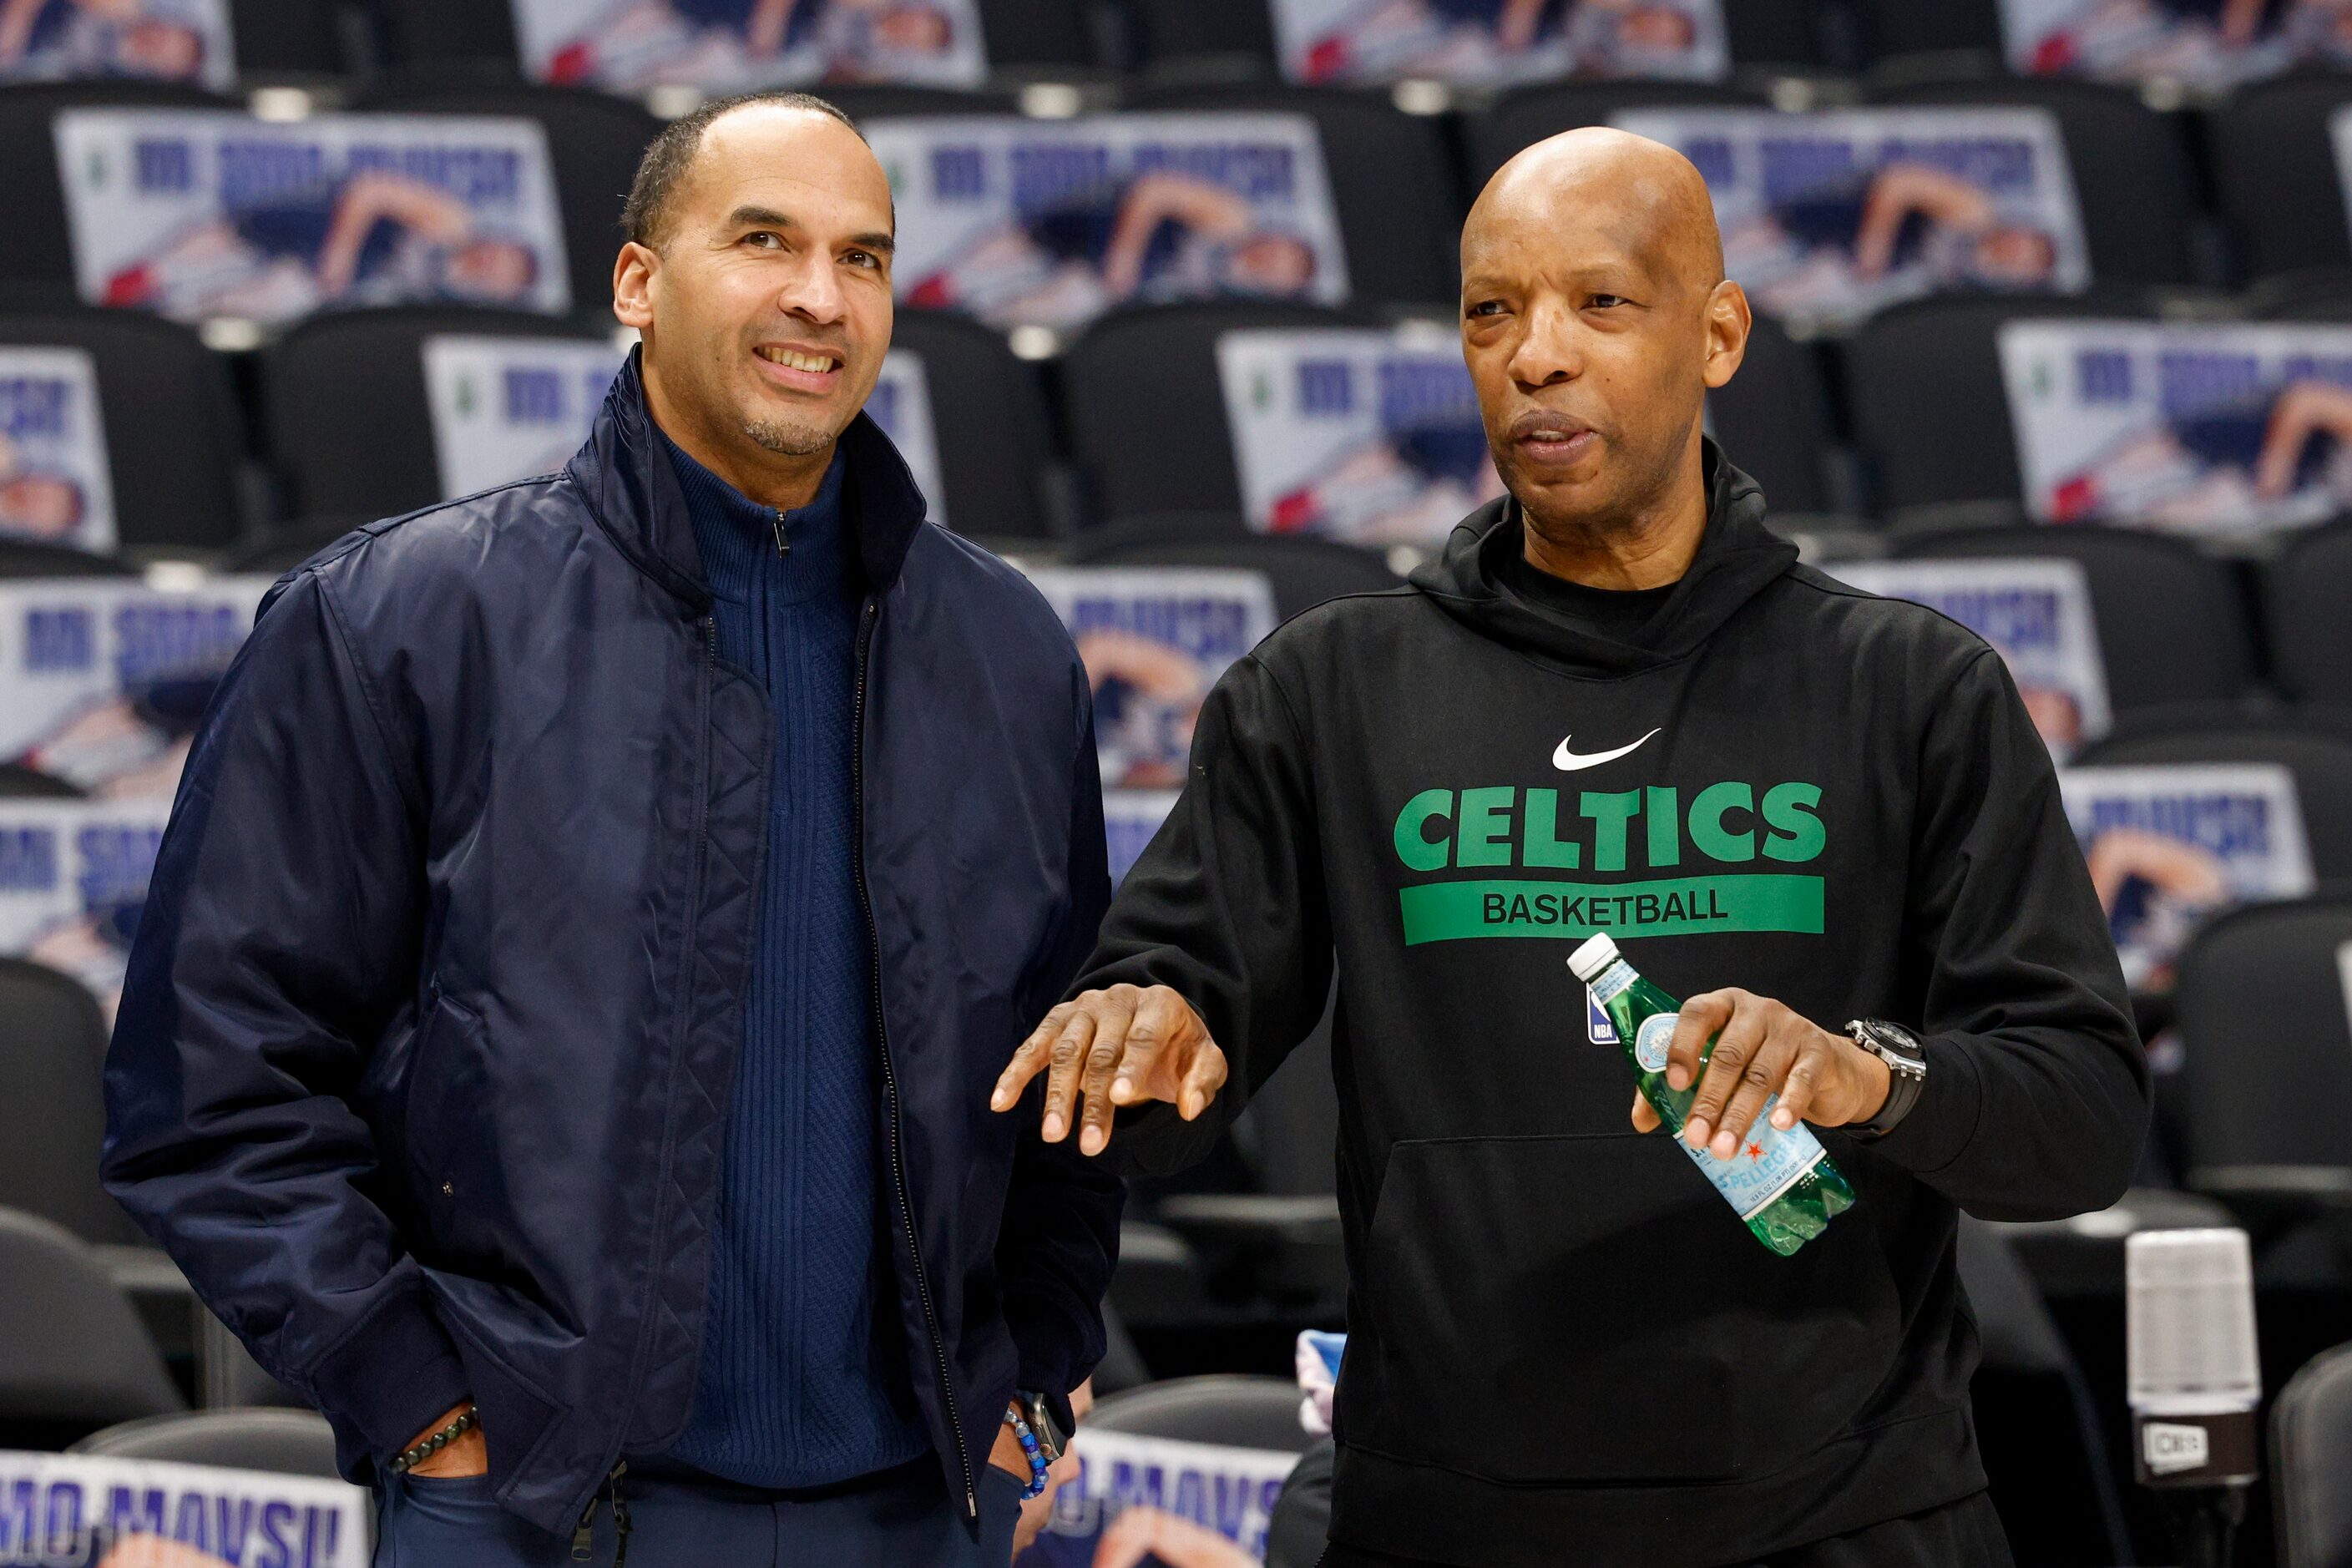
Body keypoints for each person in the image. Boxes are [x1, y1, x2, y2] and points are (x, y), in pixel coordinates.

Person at [997, 126, 2147, 1566]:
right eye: (1493, 310)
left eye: (1599, 302)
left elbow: (2079, 1113)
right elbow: (1164, 1050)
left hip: (1842, 1516)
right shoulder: (1329, 691)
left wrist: (1862, 1074)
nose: (1535, 355)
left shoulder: (1907, 689)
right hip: (1448, 1518)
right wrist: (1142, 1036)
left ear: (1717, 331)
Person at [102, 90, 1120, 1565]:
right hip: (534, 1506)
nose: (816, 298)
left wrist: (1032, 1368)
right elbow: (209, 1079)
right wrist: (420, 1406)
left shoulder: (1010, 651)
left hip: (919, 1513)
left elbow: (1066, 1062)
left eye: (863, 256)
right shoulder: (398, 618)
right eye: (762, 241)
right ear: (638, 282)